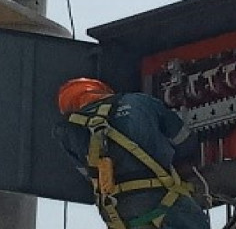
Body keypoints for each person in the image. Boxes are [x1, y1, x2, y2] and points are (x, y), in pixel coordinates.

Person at [55, 78, 210, 229]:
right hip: (164, 198)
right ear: (102, 91)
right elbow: (184, 141)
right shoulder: (140, 102)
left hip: (119, 212)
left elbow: (88, 175)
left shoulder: (67, 131)